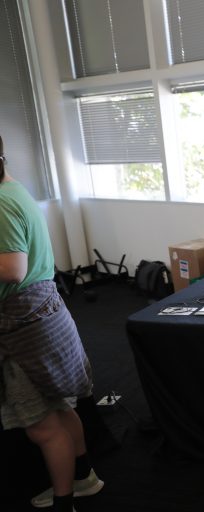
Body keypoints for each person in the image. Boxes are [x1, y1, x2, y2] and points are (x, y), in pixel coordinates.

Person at [0, 135, 103, 512]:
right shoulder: (14, 189)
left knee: (42, 427)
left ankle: (64, 504)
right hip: (43, 315)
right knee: (60, 407)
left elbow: (13, 269)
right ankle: (84, 477)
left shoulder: (0, 202)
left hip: (24, 327)